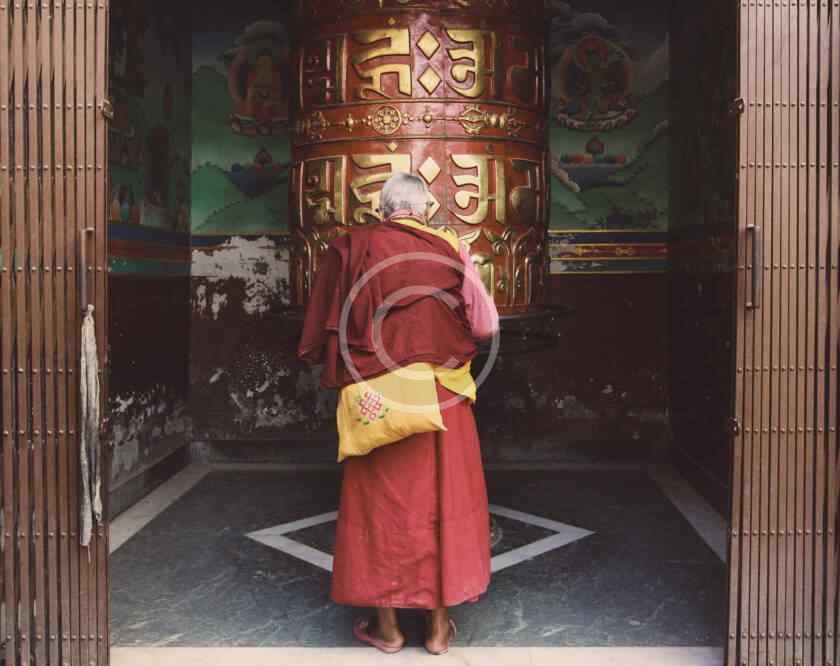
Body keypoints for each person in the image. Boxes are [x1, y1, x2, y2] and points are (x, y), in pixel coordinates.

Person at [298, 172, 499, 655]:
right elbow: (485, 326)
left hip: (379, 396)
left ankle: (387, 630)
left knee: (380, 506)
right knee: (443, 501)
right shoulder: (449, 248)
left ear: (383, 210)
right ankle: (438, 630)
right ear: (425, 210)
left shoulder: (352, 247)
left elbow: (323, 323)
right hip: (441, 394)